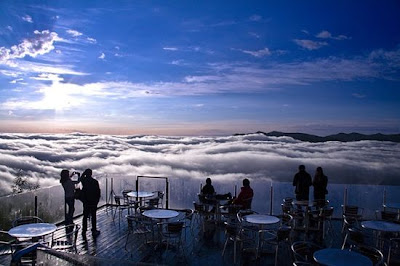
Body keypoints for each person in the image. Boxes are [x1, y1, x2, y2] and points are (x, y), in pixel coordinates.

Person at [81, 168, 101, 237]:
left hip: (86, 201)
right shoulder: (95, 182)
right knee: (93, 216)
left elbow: (81, 177)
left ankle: (84, 230)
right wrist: (97, 201)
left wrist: (84, 173)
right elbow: (98, 192)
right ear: (91, 174)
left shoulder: (84, 181)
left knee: (85, 216)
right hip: (93, 202)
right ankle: (94, 230)